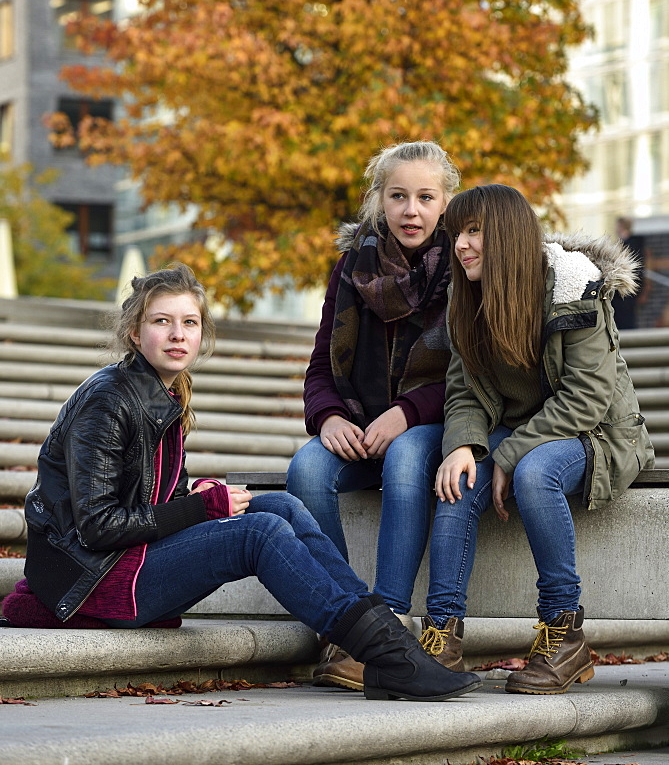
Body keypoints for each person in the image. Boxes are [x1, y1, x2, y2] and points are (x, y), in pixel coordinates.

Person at [0, 263, 480, 703]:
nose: (177, 334)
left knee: (283, 509)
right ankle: (389, 657)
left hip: (130, 561)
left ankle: (388, 646)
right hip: (97, 578)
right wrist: (203, 507)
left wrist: (192, 496)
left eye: (189, 323)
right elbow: (98, 526)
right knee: (259, 533)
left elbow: (151, 501)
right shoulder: (109, 401)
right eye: (161, 322)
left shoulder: (163, 393)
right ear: (134, 331)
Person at [422, 185, 654, 695]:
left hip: (596, 434)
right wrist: (464, 445)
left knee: (535, 470)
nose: (460, 245)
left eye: (474, 231)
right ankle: (442, 638)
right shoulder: (467, 299)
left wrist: (508, 452)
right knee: (457, 481)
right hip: (525, 431)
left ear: (507, 235)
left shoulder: (575, 286)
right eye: (456, 233)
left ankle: (564, 632)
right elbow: (462, 392)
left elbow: (587, 398)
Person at [287, 141, 459, 690]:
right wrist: (329, 417)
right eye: (398, 196)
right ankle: (348, 621)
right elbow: (320, 366)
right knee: (307, 469)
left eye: (425, 197)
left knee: (407, 459)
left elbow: (468, 374)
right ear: (378, 201)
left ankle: (387, 622)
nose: (412, 210)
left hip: (427, 426)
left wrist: (407, 414)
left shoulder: (463, 268)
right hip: (358, 425)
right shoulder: (353, 265)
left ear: (446, 203)